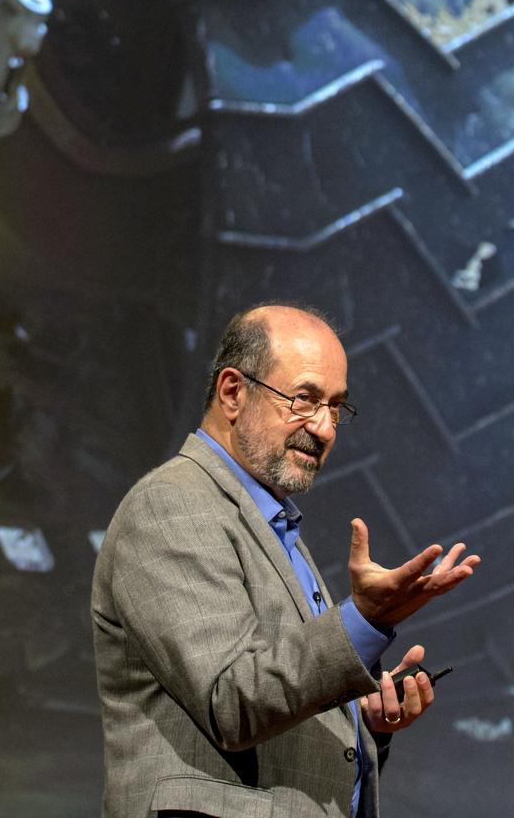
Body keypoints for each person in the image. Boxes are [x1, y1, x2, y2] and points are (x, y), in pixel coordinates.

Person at [92, 302, 480, 817]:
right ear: (233, 392)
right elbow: (232, 703)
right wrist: (365, 620)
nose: (323, 429)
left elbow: (282, 713)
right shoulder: (173, 505)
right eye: (304, 399)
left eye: (336, 407)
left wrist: (364, 725)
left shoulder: (274, 527)